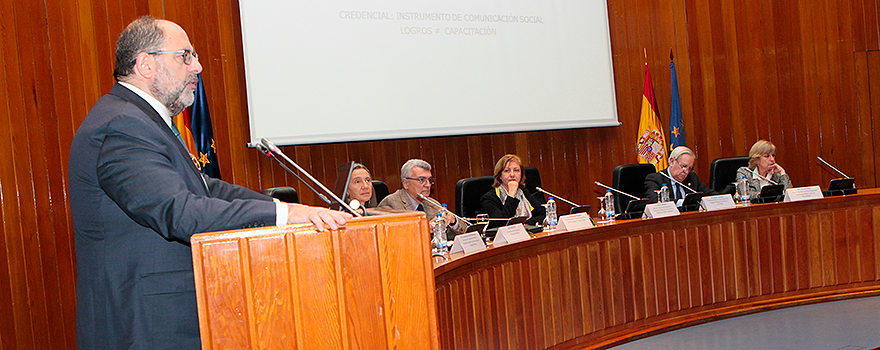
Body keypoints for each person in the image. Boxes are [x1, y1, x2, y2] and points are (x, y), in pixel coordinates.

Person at [68, 16, 350, 350]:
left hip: (164, 320)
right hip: (145, 325)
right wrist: (286, 217)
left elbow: (206, 188)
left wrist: (287, 209)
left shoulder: (141, 121)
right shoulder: (121, 126)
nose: (198, 67)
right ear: (145, 64)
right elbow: (181, 212)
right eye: (185, 56)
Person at [378, 159, 466, 240]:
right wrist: (425, 228)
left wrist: (453, 222)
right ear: (406, 183)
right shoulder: (391, 204)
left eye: (429, 180)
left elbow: (464, 230)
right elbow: (392, 238)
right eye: (421, 180)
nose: (428, 185)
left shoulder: (432, 204)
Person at [480, 154, 546, 226]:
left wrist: (527, 223)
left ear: (521, 174)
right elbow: (502, 223)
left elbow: (543, 213)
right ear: (499, 176)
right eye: (507, 171)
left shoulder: (523, 192)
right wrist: (511, 195)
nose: (512, 174)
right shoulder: (488, 199)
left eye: (516, 170)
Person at [645, 146, 718, 204]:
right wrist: (683, 202)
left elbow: (709, 193)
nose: (686, 171)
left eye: (690, 168)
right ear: (672, 161)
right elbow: (654, 201)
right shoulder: (655, 179)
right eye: (684, 166)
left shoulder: (692, 177)